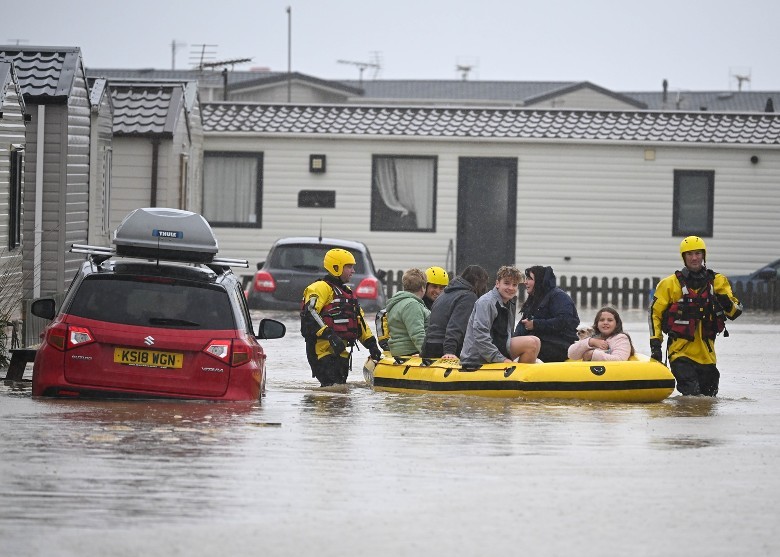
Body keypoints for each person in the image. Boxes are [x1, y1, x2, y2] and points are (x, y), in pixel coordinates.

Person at [649, 236, 742, 396]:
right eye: (689, 254)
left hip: (707, 356)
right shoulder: (669, 284)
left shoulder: (718, 281)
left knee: (708, 401)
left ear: (703, 255)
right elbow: (654, 315)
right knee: (692, 396)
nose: (694, 258)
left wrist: (725, 302)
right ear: (683, 257)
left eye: (698, 253)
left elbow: (734, 312)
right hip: (680, 353)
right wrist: (656, 345)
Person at [301, 248, 383, 387]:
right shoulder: (320, 288)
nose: (353, 271)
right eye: (349, 267)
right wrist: (330, 336)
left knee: (340, 394)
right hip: (321, 352)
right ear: (336, 267)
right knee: (331, 391)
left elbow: (359, 320)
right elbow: (310, 313)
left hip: (341, 353)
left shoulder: (347, 293)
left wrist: (371, 344)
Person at [460, 266, 540, 367]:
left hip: (497, 347)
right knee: (531, 344)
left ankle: (521, 377)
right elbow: (480, 335)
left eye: (514, 285)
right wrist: (501, 359)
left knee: (536, 341)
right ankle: (518, 381)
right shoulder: (487, 302)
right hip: (476, 357)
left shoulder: (509, 302)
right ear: (497, 283)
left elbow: (507, 333)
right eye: (506, 283)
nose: (511, 288)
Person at [421, 265, 489, 359]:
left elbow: (431, 327)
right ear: (479, 283)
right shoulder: (468, 297)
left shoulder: (444, 294)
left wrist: (422, 353)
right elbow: (456, 326)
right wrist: (449, 351)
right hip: (444, 349)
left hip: (430, 347)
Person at [514, 265, 579, 362]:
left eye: (529, 279)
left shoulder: (559, 296)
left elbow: (565, 321)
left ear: (539, 281)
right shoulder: (535, 299)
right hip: (540, 341)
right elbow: (523, 324)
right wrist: (512, 341)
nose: (525, 282)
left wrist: (535, 324)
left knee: (531, 345)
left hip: (560, 346)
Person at [385, 268, 430, 357]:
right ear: (422, 288)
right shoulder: (412, 305)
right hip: (410, 351)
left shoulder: (397, 302)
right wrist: (426, 354)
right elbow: (417, 333)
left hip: (398, 351)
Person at [567, 307, 635, 361]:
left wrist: (591, 354)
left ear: (616, 324)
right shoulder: (592, 337)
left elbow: (619, 359)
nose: (605, 322)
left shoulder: (621, 338)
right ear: (597, 324)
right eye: (602, 320)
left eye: (610, 320)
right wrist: (591, 342)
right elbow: (571, 355)